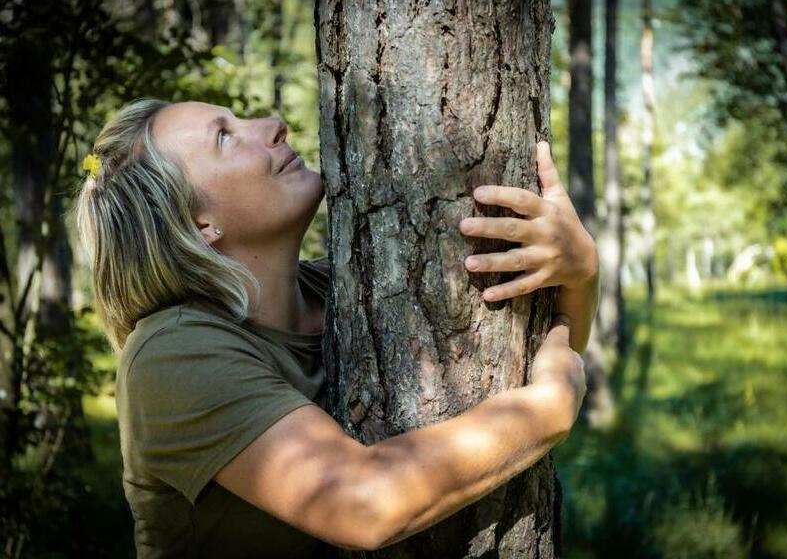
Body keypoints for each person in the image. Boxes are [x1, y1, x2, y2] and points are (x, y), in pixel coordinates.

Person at [72, 99, 598, 558]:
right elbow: (363, 505)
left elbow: (543, 356)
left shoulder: (349, 288)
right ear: (197, 225)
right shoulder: (171, 356)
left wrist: (578, 270)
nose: (274, 124)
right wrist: (547, 410)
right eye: (225, 137)